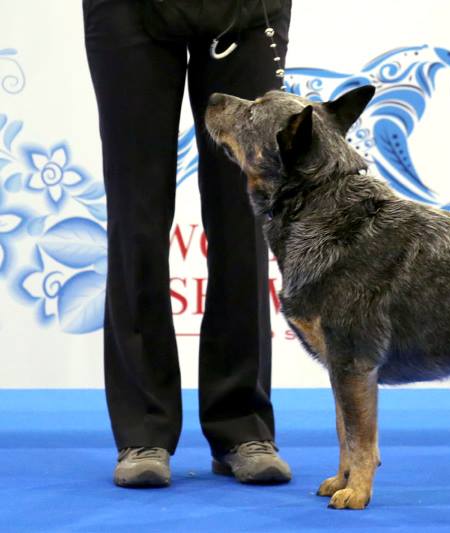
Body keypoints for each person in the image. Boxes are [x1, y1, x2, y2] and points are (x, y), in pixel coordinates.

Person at [82, 0, 292, 487]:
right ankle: (143, 430)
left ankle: (242, 425)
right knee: (136, 214)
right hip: (127, 12)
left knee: (244, 209)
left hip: (247, 9)